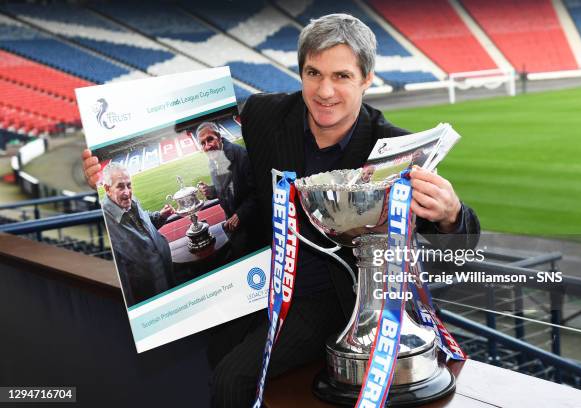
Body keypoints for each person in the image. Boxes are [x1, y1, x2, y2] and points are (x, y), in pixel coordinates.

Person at [82, 14, 480, 406]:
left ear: (366, 79)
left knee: (233, 379)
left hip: (334, 300)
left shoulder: (395, 148)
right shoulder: (262, 115)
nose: (324, 91)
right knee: (217, 351)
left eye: (341, 76)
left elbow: (463, 239)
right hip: (254, 285)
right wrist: (102, 176)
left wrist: (451, 213)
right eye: (313, 73)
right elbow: (189, 138)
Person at [101, 162, 176, 308]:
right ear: (107, 189)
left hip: (166, 276)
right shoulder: (106, 224)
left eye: (129, 185)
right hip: (150, 295)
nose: (127, 192)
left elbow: (144, 223)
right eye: (120, 186)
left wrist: (160, 216)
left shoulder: (132, 200)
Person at [195, 122, 257, 258]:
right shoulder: (213, 159)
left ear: (219, 137)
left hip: (252, 225)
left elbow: (257, 191)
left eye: (210, 139)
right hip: (233, 225)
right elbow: (226, 189)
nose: (207, 146)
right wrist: (210, 191)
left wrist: (240, 214)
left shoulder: (241, 155)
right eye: (203, 143)